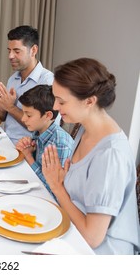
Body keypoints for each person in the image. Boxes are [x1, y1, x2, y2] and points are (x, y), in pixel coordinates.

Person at [42, 58, 140, 254]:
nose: (55, 107)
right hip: (74, 232)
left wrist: (58, 188)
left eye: (61, 101)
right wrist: (62, 183)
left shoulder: (110, 155)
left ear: (89, 101)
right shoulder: (84, 130)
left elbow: (92, 237)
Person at [0, 25, 54, 145]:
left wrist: (10, 107)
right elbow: (0, 117)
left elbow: (47, 128)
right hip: (5, 140)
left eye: (16, 51)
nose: (10, 56)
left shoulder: (47, 81)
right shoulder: (13, 78)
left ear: (34, 50)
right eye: (9, 51)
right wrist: (1, 107)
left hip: (28, 150)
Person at [15, 85, 74, 199]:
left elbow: (55, 192)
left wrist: (29, 158)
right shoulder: (40, 132)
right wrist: (29, 149)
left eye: (28, 115)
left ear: (48, 115)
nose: (23, 119)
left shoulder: (60, 143)